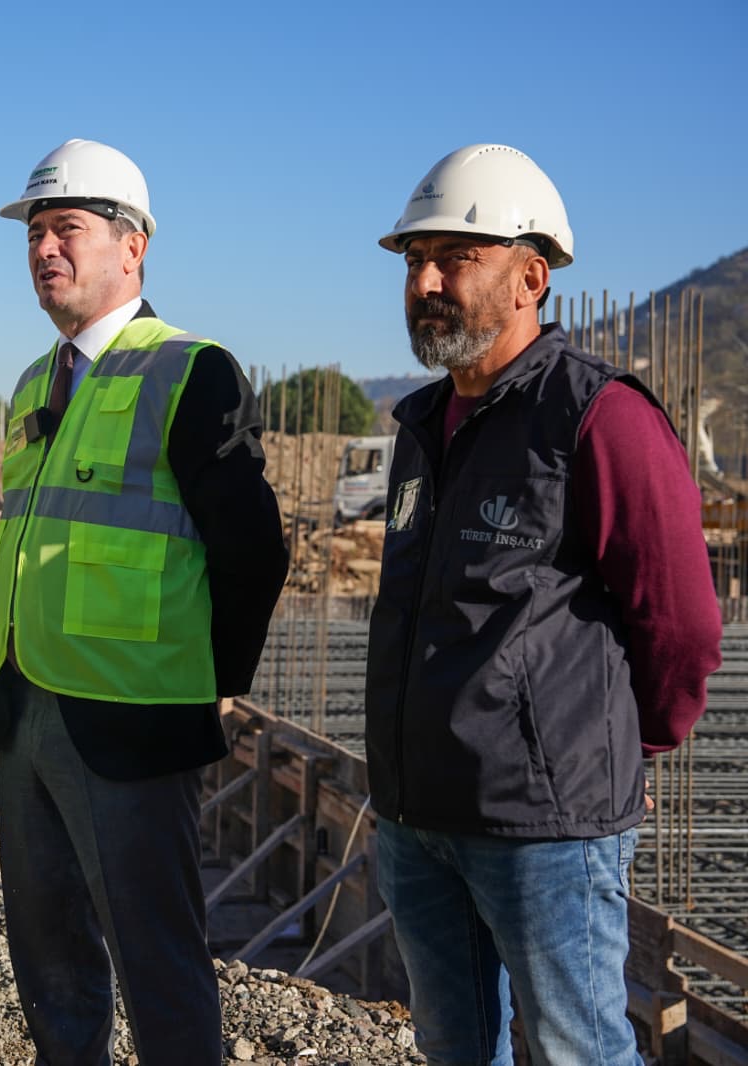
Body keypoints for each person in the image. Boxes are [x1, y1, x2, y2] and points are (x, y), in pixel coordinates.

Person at [366, 143, 722, 1066]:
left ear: (531, 278)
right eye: (415, 260)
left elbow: (682, 624)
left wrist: (619, 748)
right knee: (453, 1046)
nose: (426, 282)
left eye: (455, 258)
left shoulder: (599, 417)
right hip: (415, 816)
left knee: (579, 1051)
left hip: (545, 831)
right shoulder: (418, 427)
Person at [0, 138, 289, 1064]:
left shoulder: (189, 368)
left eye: (66, 228)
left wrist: (217, 678)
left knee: (157, 960)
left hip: (135, 720)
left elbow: (254, 548)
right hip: (29, 706)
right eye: (34, 233)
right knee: (48, 958)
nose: (44, 248)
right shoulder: (34, 384)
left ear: (132, 245)